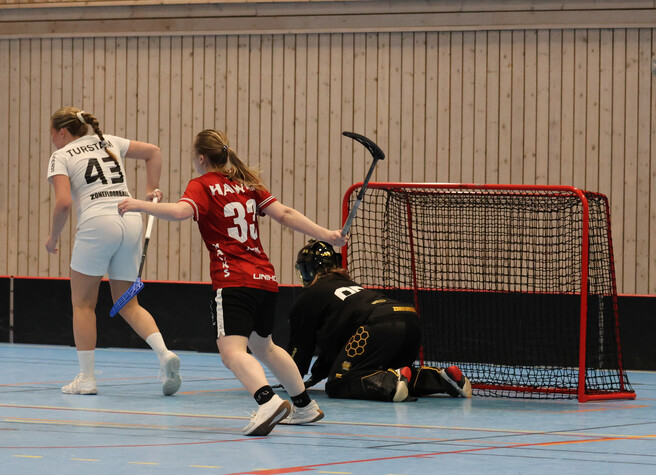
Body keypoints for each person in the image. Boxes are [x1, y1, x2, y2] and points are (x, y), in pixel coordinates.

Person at [118, 129, 343, 436]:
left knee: (231, 351)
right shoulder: (247, 182)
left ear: (201, 158)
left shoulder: (202, 185)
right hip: (265, 278)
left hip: (233, 279)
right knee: (264, 346)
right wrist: (326, 235)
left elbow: (181, 212)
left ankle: (267, 401)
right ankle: (304, 406)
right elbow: (285, 213)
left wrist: (139, 204)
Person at [44, 107, 181, 397]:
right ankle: (164, 353)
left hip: (98, 222)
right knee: (127, 302)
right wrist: (151, 189)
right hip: (130, 217)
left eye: (52, 134)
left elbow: (64, 203)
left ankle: (87, 378)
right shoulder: (109, 141)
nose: (53, 140)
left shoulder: (61, 155)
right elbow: (154, 152)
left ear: (62, 132)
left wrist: (53, 237)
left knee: (83, 304)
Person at [287, 240, 472, 401]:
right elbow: (335, 352)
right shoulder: (349, 286)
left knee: (338, 383)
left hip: (376, 325)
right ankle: (444, 378)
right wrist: (317, 375)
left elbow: (300, 349)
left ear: (309, 270)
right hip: (409, 320)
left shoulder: (309, 296)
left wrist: (289, 378)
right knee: (390, 371)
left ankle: (390, 382)